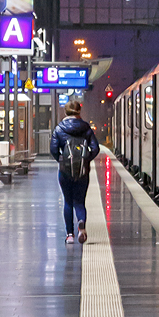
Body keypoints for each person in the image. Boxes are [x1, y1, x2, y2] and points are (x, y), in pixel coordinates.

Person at [50, 99, 100, 244]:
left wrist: (62, 160)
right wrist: (86, 160)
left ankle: (70, 235)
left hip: (65, 171)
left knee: (68, 201)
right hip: (82, 171)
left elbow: (53, 149)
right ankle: (82, 223)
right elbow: (95, 148)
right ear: (79, 111)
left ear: (65, 112)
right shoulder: (86, 128)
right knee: (79, 201)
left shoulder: (59, 129)